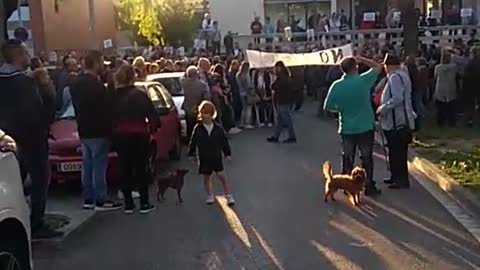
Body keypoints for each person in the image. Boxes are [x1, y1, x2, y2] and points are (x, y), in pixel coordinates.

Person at [0, 39, 62, 238]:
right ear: (18, 56)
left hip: (7, 140)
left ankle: (18, 220)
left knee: (13, 183)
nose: (29, 57)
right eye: (25, 53)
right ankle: (36, 223)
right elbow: (45, 110)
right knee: (40, 181)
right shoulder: (26, 83)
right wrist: (46, 86)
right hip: (32, 140)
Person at [70, 50, 122, 211]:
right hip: (99, 130)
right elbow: (106, 107)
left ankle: (88, 199)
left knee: (87, 166)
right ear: (96, 62)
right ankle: (101, 199)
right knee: (99, 165)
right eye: (101, 62)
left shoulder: (76, 83)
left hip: (84, 129)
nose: (103, 65)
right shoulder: (96, 85)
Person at [323, 56, 382, 196]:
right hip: (365, 125)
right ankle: (368, 185)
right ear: (356, 67)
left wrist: (340, 109)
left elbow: (327, 106)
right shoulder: (363, 80)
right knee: (366, 157)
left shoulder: (337, 85)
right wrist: (362, 58)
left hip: (347, 127)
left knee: (348, 156)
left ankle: (346, 185)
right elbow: (378, 67)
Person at [111, 64, 159, 214]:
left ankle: (128, 204)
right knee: (141, 167)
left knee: (124, 168)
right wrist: (152, 129)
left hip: (120, 134)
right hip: (139, 133)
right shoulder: (140, 95)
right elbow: (152, 116)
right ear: (133, 77)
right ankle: (144, 203)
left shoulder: (112, 96)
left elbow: (107, 117)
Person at [377, 54, 416, 189]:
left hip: (396, 121)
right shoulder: (403, 75)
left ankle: (400, 179)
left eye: (385, 65)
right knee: (397, 151)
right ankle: (396, 176)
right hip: (401, 119)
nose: (385, 68)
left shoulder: (394, 77)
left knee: (397, 152)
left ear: (390, 65)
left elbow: (397, 98)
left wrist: (383, 108)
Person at [188, 100, 235, 206]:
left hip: (216, 155)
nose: (206, 116)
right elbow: (193, 141)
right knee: (207, 176)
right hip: (204, 156)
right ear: (201, 114)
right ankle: (210, 195)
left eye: (208, 113)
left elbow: (224, 141)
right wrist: (191, 153)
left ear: (212, 114)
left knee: (221, 175)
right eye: (204, 113)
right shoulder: (198, 129)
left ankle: (228, 194)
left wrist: (227, 153)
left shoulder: (218, 129)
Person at [267, 61, 297, 143]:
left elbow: (275, 86)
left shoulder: (282, 77)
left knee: (287, 120)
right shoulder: (285, 76)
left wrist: (273, 83)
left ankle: (292, 137)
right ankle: (276, 136)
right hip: (283, 100)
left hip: (283, 100)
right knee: (280, 120)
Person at [181, 66, 211, 140]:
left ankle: (190, 141)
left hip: (187, 107)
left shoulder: (183, 82)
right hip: (198, 107)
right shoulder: (202, 84)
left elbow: (182, 77)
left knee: (189, 126)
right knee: (199, 126)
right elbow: (207, 97)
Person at [434, 50, 458, 127]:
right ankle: (451, 123)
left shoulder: (437, 67)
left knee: (440, 108)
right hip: (450, 87)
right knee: (451, 107)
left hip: (440, 88)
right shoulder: (454, 67)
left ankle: (440, 122)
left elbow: (435, 76)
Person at [463, 46, 480, 127]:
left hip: (470, 86)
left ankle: (470, 120)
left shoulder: (468, 63)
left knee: (470, 105)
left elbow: (465, 75)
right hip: (477, 85)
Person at [236, 61, 256, 129]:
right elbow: (248, 85)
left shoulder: (238, 75)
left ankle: (242, 123)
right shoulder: (246, 75)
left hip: (241, 93)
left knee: (244, 108)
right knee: (248, 108)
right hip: (247, 93)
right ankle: (247, 123)